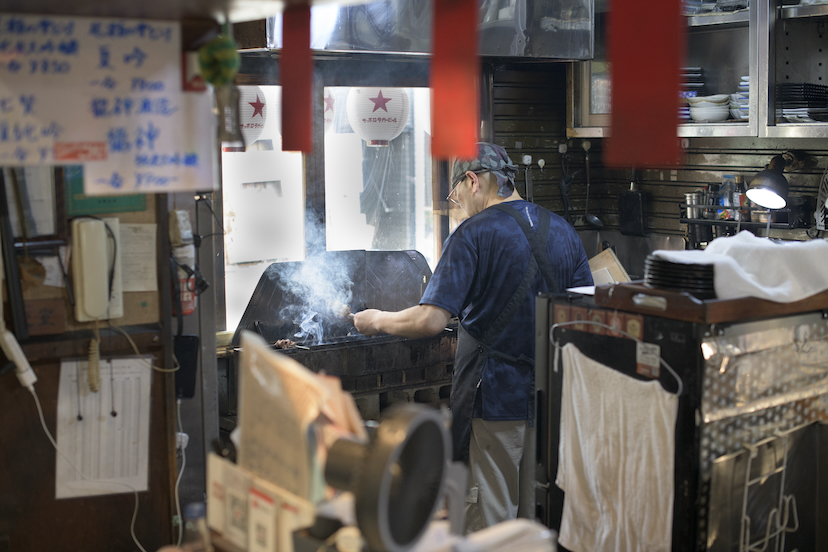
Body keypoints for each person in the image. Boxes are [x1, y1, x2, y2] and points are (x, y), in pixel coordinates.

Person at [353, 142, 593, 532]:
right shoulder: (564, 230)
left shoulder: (473, 233)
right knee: (533, 516)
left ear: (472, 181)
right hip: (551, 399)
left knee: (490, 518)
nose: (458, 204)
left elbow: (430, 321)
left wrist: (377, 319)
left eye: (456, 195)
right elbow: (585, 316)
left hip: (496, 397)